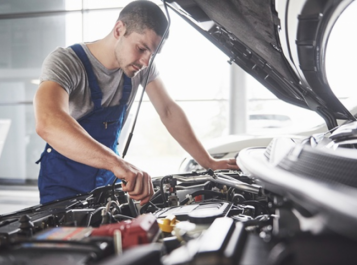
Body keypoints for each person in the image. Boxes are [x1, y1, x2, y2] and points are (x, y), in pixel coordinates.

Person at [34, 0, 239, 205]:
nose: (146, 62)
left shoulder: (138, 68)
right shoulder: (66, 62)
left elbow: (168, 110)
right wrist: (118, 164)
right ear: (119, 29)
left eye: (153, 54)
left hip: (106, 180)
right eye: (142, 48)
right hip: (63, 182)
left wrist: (208, 162)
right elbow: (48, 122)